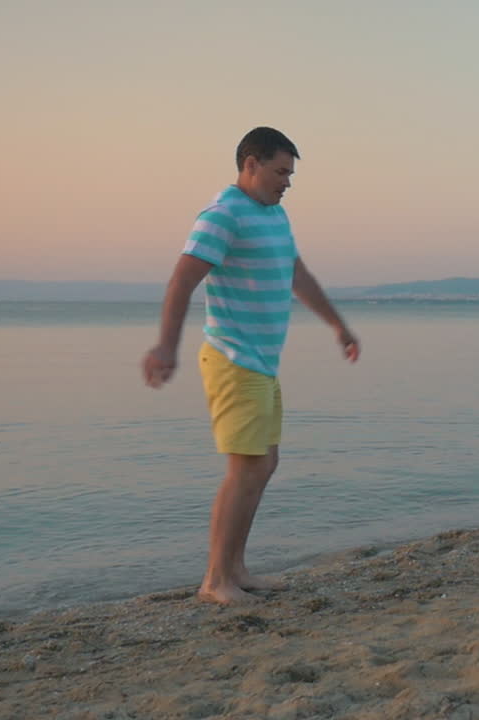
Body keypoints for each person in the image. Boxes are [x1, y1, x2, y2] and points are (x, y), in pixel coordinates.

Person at [142, 127, 360, 605]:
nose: (287, 182)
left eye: (291, 174)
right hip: (232, 358)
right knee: (246, 467)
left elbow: (297, 276)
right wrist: (165, 347)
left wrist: (337, 326)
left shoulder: (275, 216)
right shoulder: (223, 215)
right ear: (251, 165)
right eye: (281, 172)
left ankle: (236, 569)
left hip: (262, 362)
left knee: (265, 463)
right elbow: (182, 280)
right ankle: (214, 580)